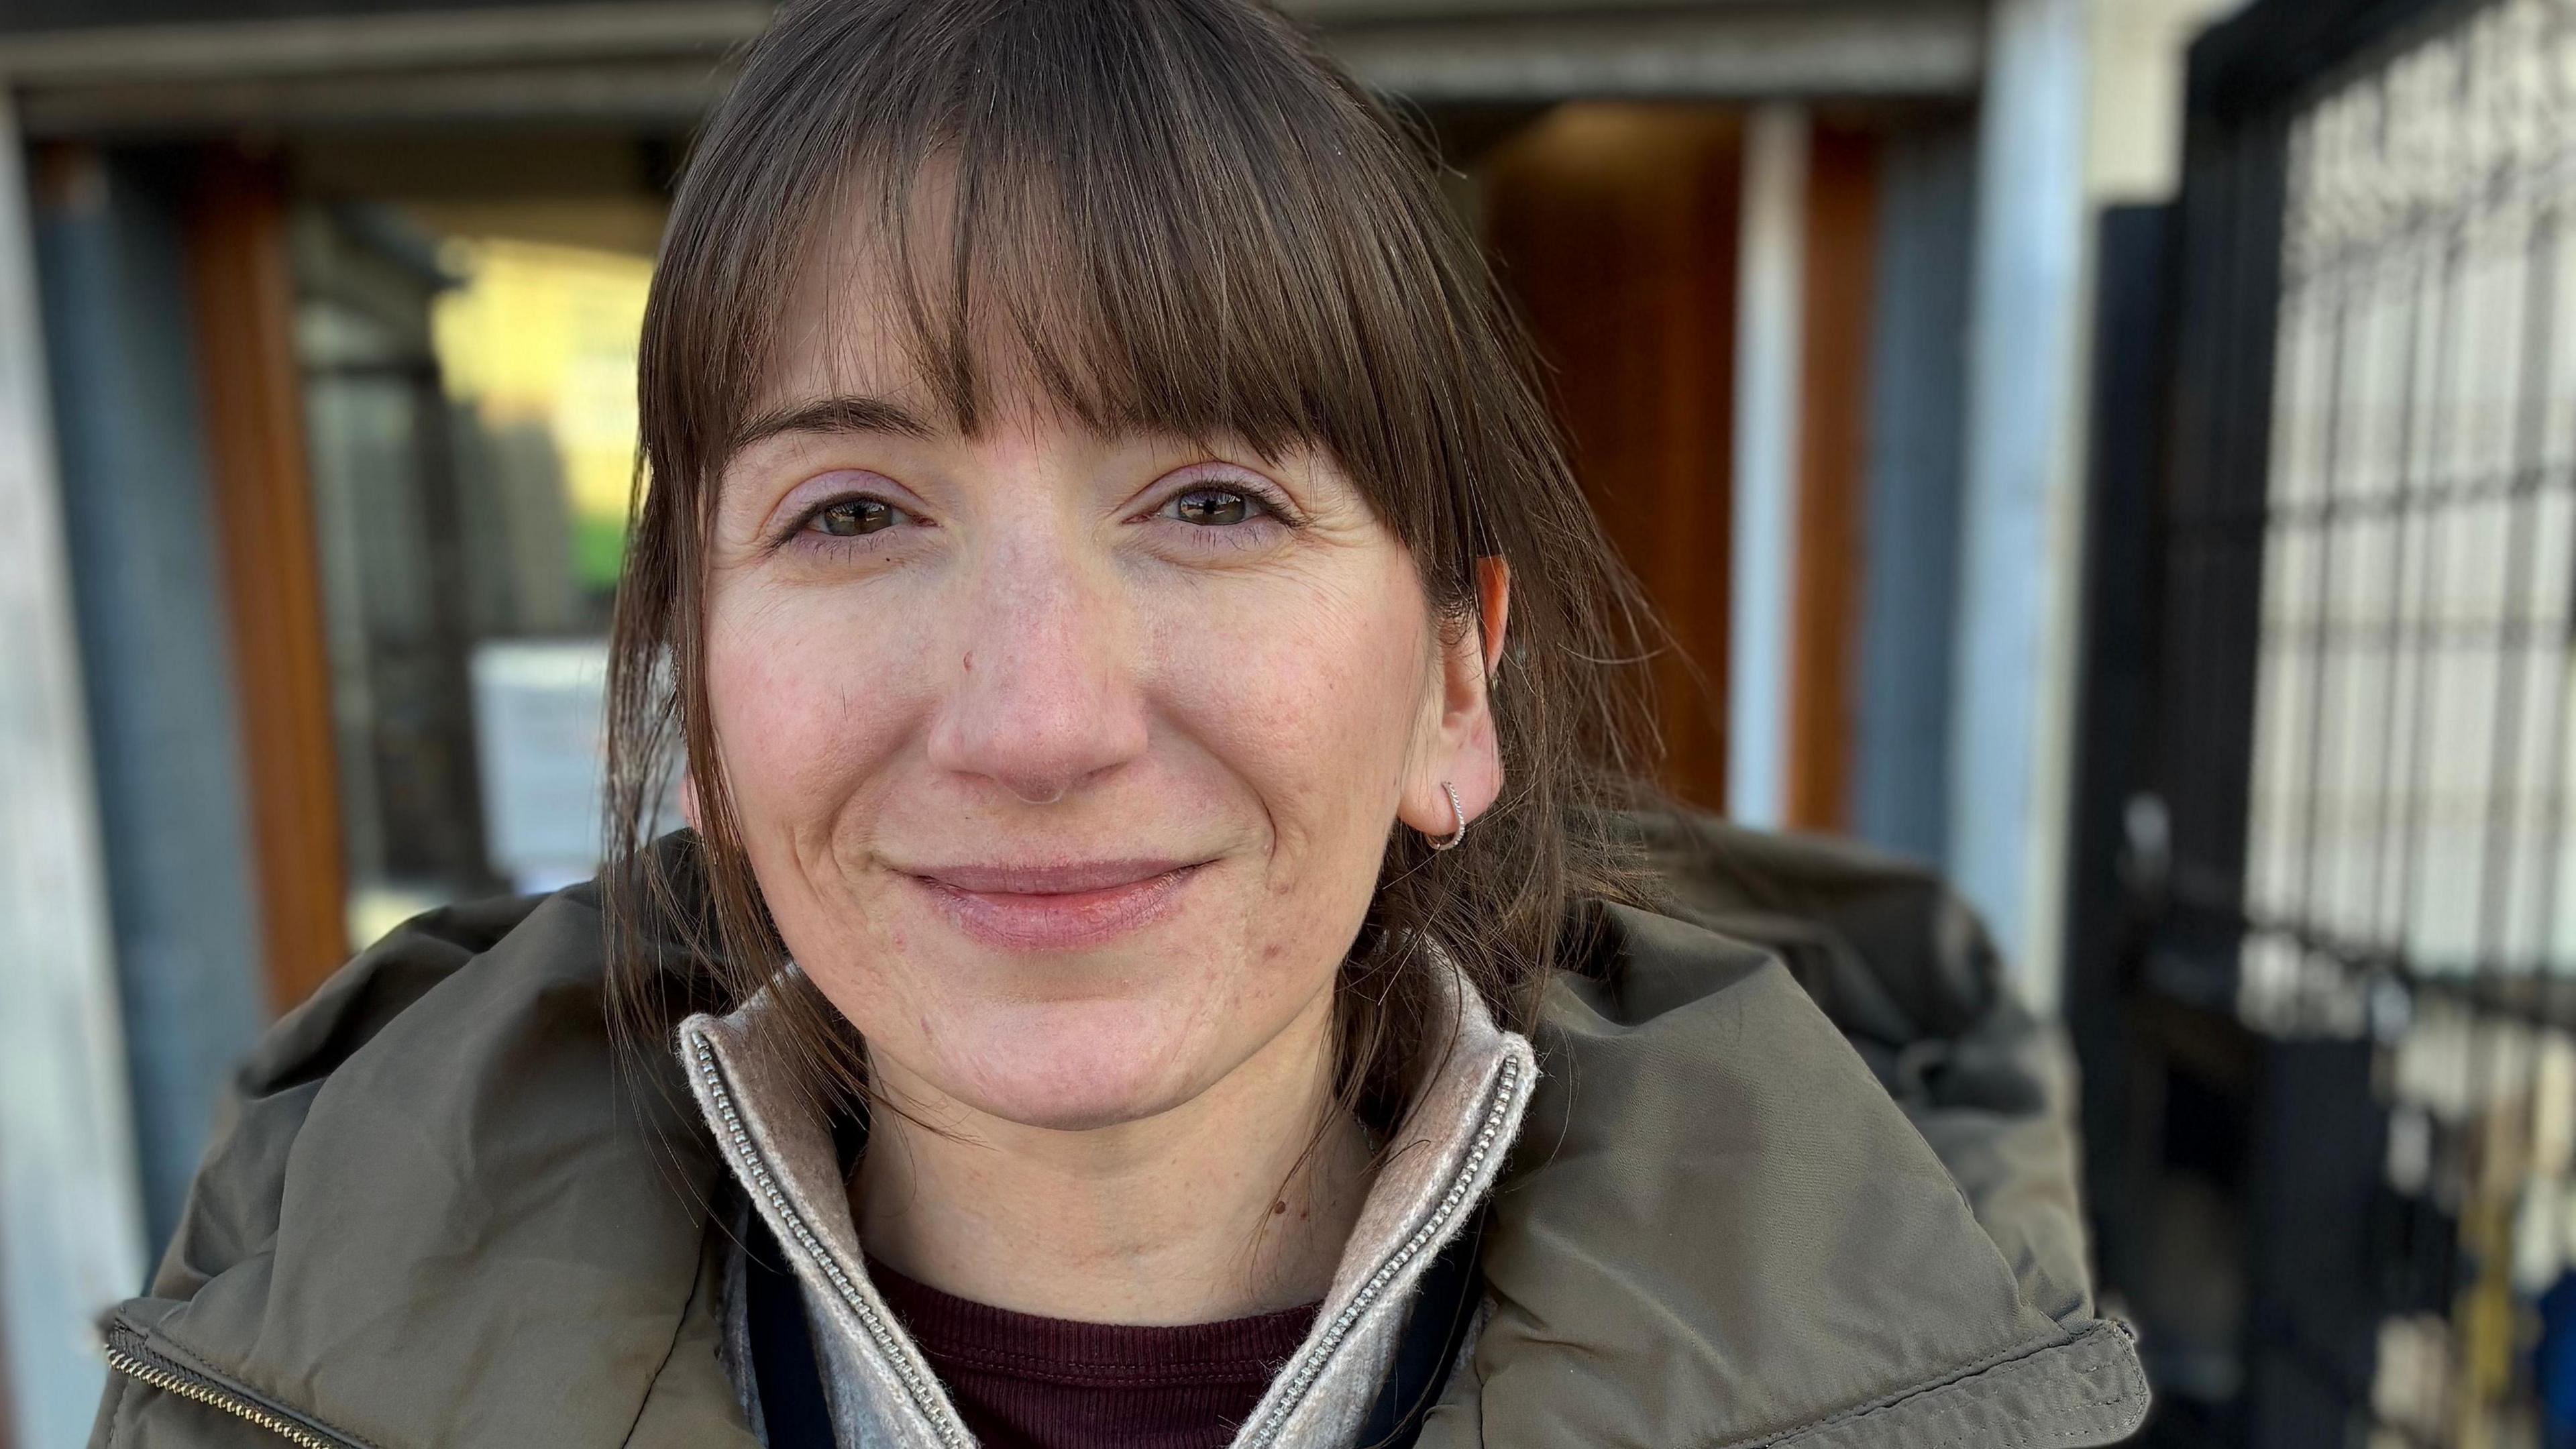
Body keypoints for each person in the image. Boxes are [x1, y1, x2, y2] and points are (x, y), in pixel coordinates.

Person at [89, 1, 2147, 1446]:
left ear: (1453, 686)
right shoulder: (276, 1400)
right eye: (858, 511)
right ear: (690, 704)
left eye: (1216, 503)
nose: (1038, 719)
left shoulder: (1934, 1410)